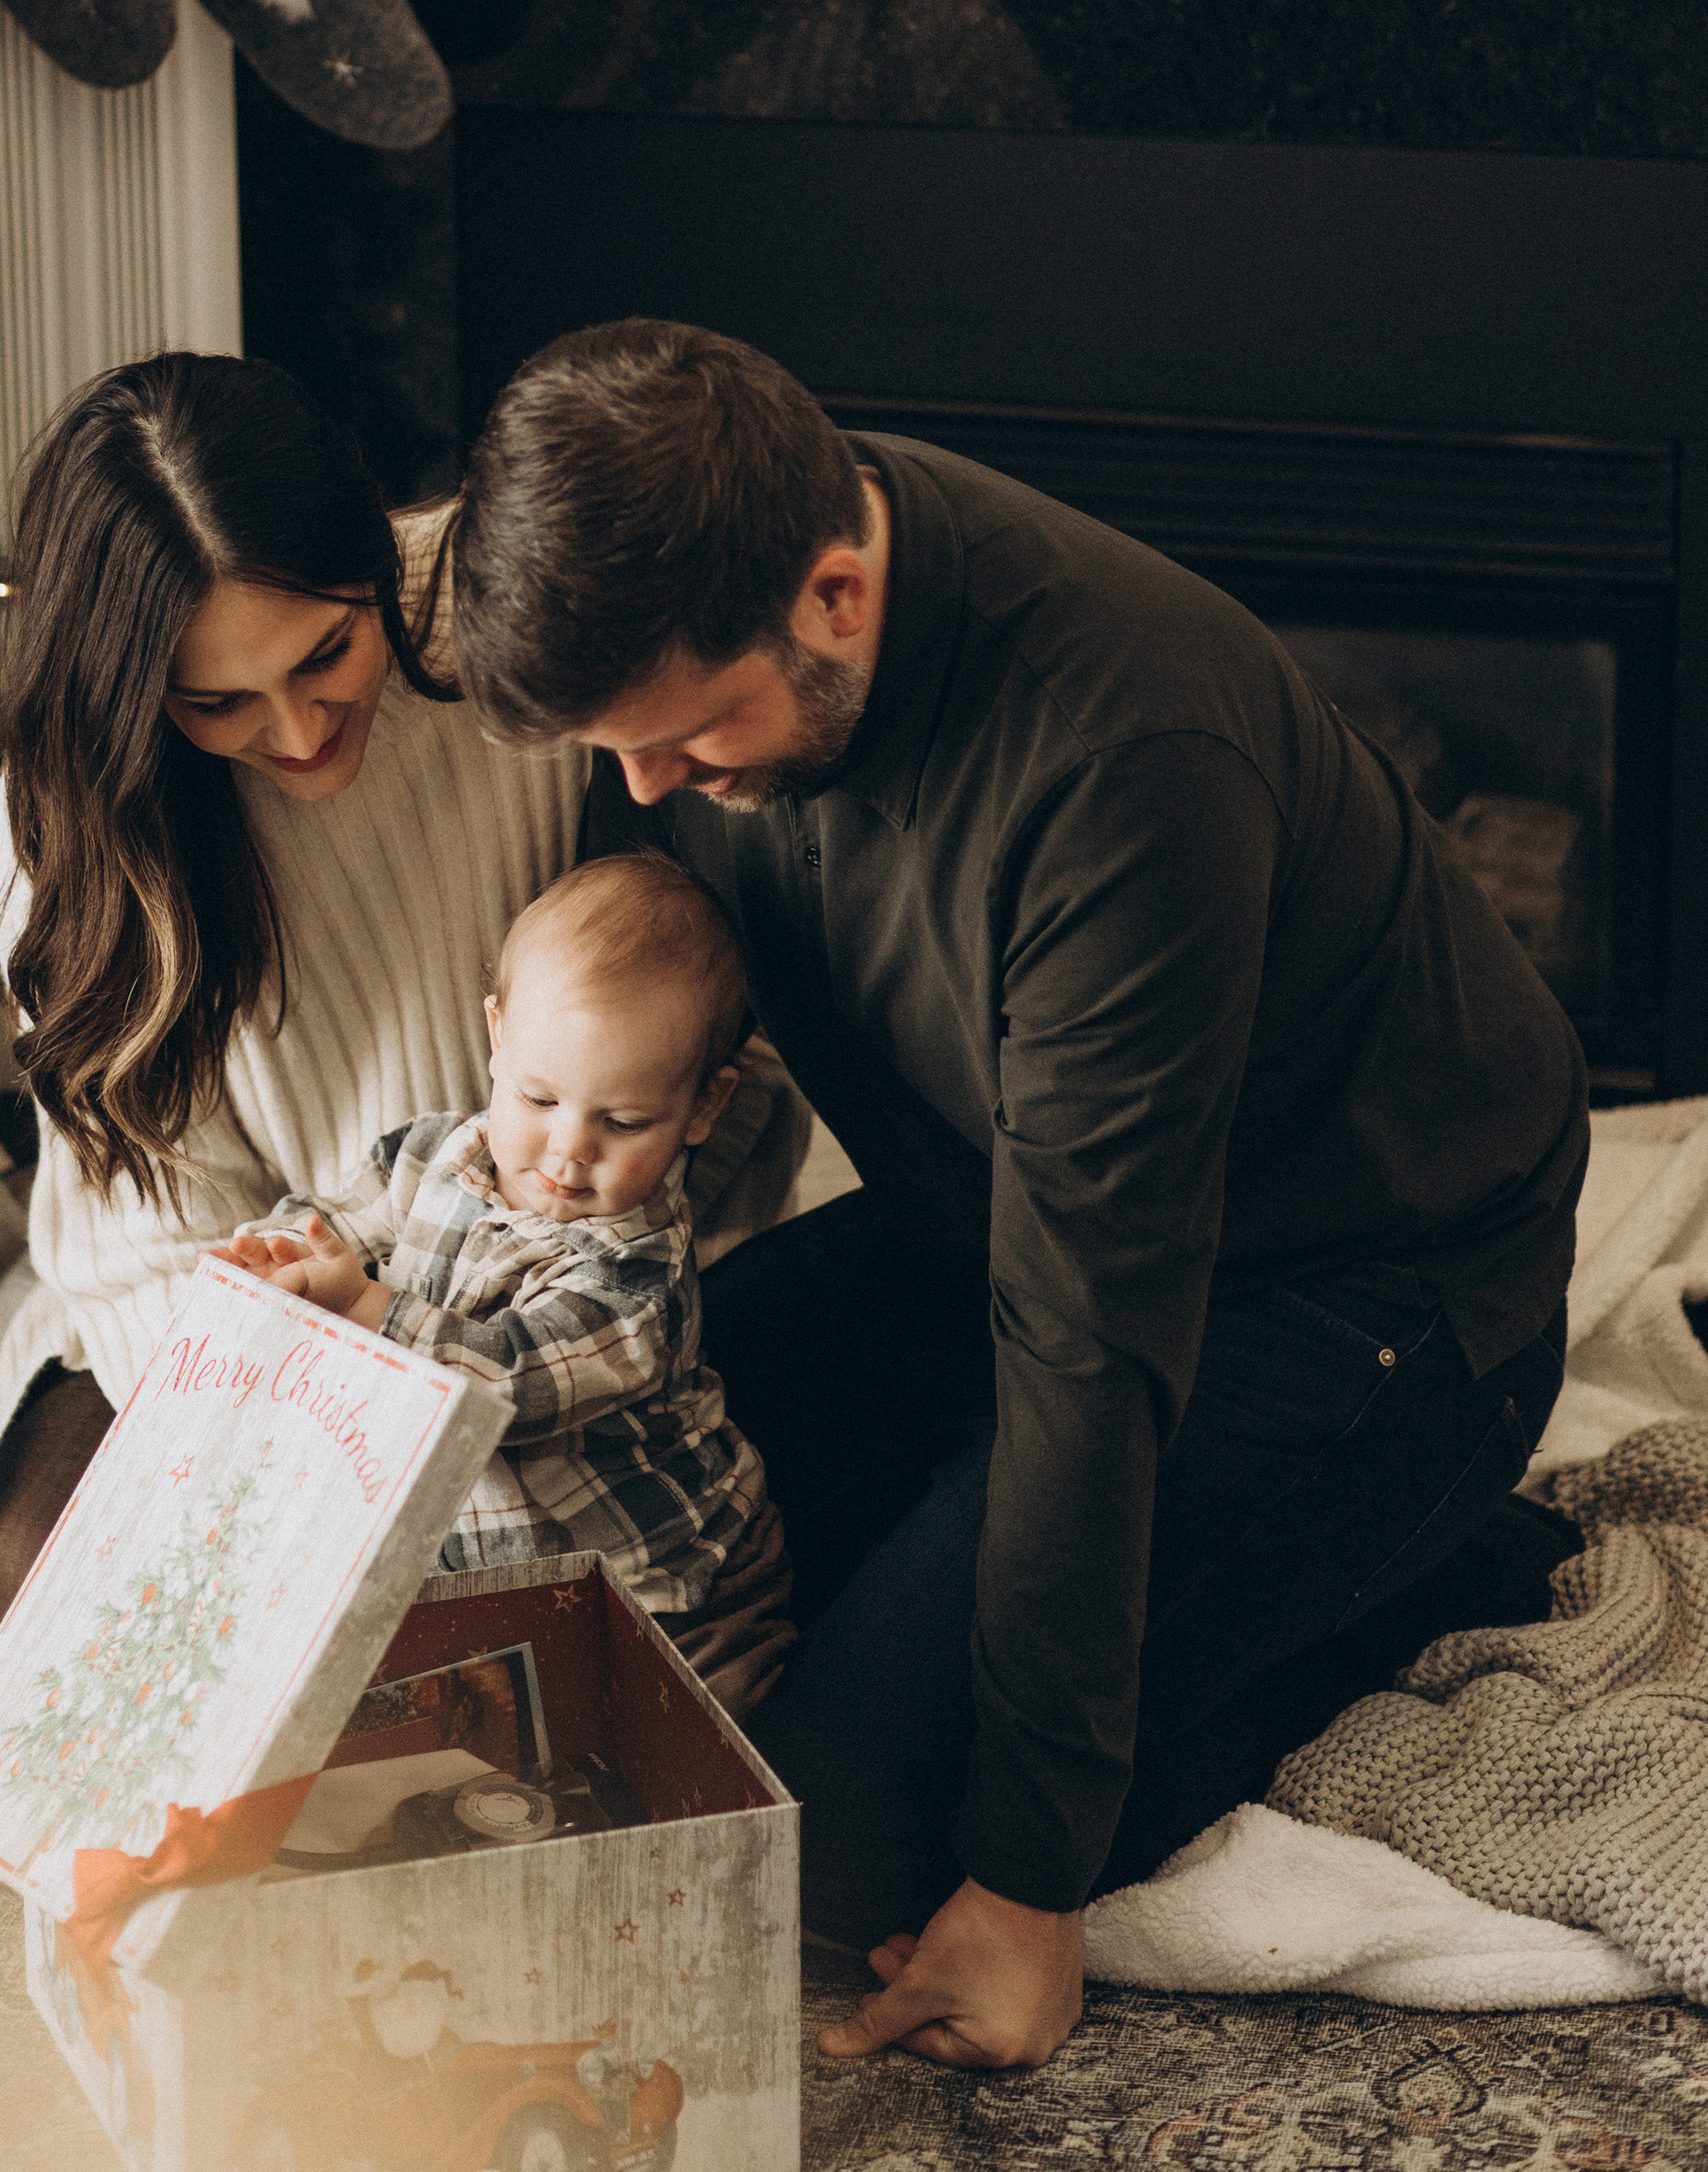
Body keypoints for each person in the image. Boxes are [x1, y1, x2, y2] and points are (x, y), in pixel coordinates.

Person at [449, 319, 1589, 2076]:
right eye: (614, 751)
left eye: (680, 740)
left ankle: (1415, 1549)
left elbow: (1088, 1334)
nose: (644, 794)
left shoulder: (1120, 767)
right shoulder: (727, 573)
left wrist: (1031, 1881)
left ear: (833, 596)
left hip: (1367, 1308)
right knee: (574, 1475)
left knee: (795, 1866)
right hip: (985, 1219)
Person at [0, 351, 807, 1646]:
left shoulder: (507, 625)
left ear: (375, 563)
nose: (300, 733)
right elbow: (149, 1254)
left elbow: (699, 1010)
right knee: (53, 1599)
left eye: (327, 652)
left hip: (589, 1276)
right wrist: (325, 1396)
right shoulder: (69, 830)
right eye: (219, 702)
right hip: (277, 1330)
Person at [225, 850, 797, 1718]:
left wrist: (363, 1306)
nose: (568, 1150)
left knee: (685, 1751)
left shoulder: (632, 1275)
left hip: (675, 1593)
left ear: (704, 1108)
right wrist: (277, 1256)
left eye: (624, 1121)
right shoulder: (431, 1155)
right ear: (497, 1039)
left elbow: (505, 1379)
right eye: (537, 1098)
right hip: (493, 1571)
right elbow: (334, 1216)